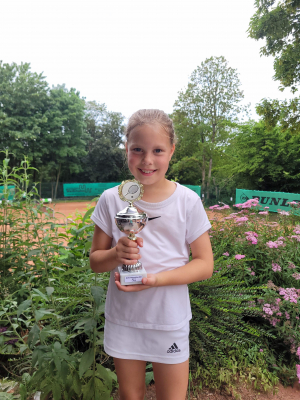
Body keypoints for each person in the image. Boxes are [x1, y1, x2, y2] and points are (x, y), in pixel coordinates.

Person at [90, 109, 214, 400]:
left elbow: (205, 264)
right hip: (124, 319)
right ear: (126, 150)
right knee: (129, 396)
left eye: (158, 150)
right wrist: (116, 254)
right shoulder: (112, 198)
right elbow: (96, 261)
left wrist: (155, 280)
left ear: (171, 150)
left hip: (169, 318)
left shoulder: (187, 201)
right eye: (138, 150)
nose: (147, 160)